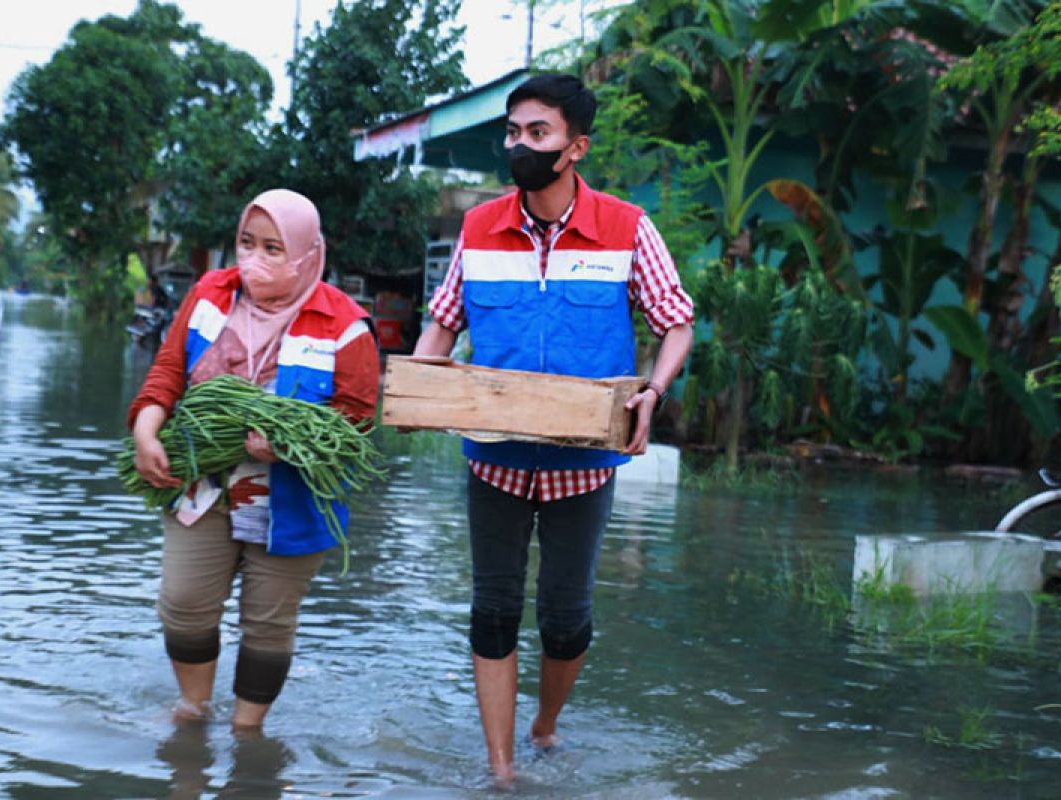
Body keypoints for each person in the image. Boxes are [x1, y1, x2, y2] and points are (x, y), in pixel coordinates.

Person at [412, 73, 695, 781]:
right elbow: (443, 324)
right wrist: (419, 389)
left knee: (566, 621)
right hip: (494, 460)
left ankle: (544, 725)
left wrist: (653, 391)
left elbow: (676, 320)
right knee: (494, 611)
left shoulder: (626, 228)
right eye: (512, 132)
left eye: (536, 133)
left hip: (583, 465)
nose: (519, 145)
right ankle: (503, 771)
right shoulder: (479, 229)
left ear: (575, 147)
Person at [127, 189, 379, 729]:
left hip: (291, 497)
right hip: (201, 479)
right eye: (246, 243)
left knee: (268, 622)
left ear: (309, 255)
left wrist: (287, 446)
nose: (253, 260)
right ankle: (193, 708)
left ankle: (247, 732)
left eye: (273, 248)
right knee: (183, 604)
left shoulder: (346, 324)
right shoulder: (210, 295)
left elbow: (356, 420)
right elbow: (168, 372)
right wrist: (147, 430)